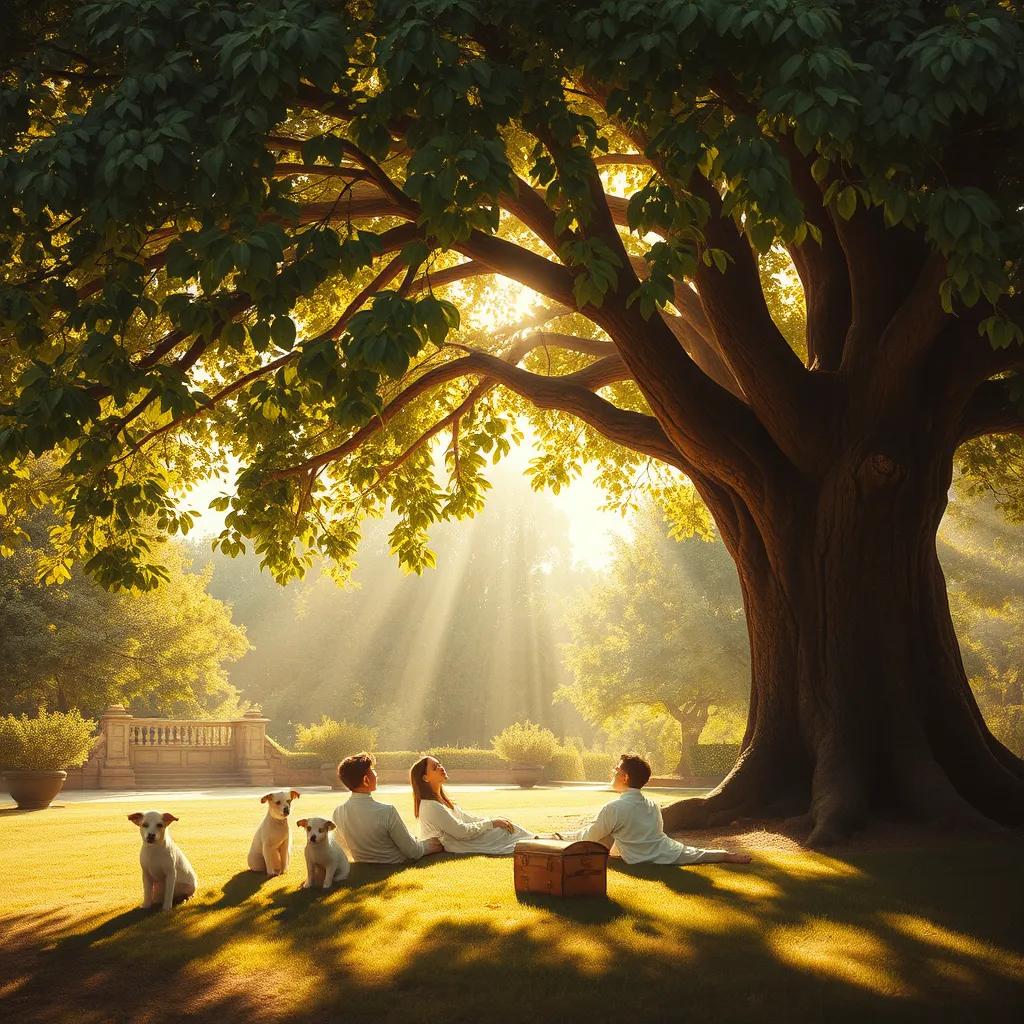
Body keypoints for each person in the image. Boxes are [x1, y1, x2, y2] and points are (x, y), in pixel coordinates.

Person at [566, 753, 752, 865]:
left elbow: (588, 837)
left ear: (625, 777)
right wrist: (721, 855)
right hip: (662, 850)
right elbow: (662, 843)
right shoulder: (652, 805)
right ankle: (723, 856)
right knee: (689, 852)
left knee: (595, 831)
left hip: (638, 856)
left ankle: (557, 836)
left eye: (616, 770)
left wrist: (560, 838)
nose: (613, 773)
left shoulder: (614, 808)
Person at [332, 752, 444, 863]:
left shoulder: (338, 812)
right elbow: (413, 852)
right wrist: (430, 846)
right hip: (395, 862)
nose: (376, 774)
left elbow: (341, 848)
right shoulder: (386, 811)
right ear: (366, 780)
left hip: (363, 862)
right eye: (373, 770)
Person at [410, 754, 534, 854]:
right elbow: (460, 831)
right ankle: (539, 842)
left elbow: (466, 818)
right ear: (425, 778)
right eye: (435, 767)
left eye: (439, 764)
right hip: (461, 843)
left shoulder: (442, 800)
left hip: (466, 839)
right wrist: (491, 823)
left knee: (505, 828)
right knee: (503, 833)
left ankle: (541, 839)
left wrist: (494, 821)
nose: (441, 768)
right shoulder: (431, 806)